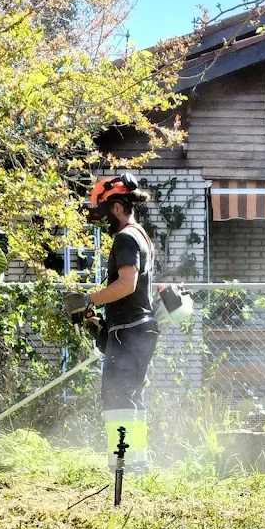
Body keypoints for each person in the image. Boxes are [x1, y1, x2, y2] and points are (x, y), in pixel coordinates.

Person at [64, 173, 158, 472]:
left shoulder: (126, 237)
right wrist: (101, 323)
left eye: (102, 212)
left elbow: (127, 285)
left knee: (117, 398)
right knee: (132, 397)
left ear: (116, 208)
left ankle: (122, 462)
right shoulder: (140, 234)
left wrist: (88, 299)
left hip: (130, 330)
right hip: (137, 328)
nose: (100, 220)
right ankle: (137, 461)